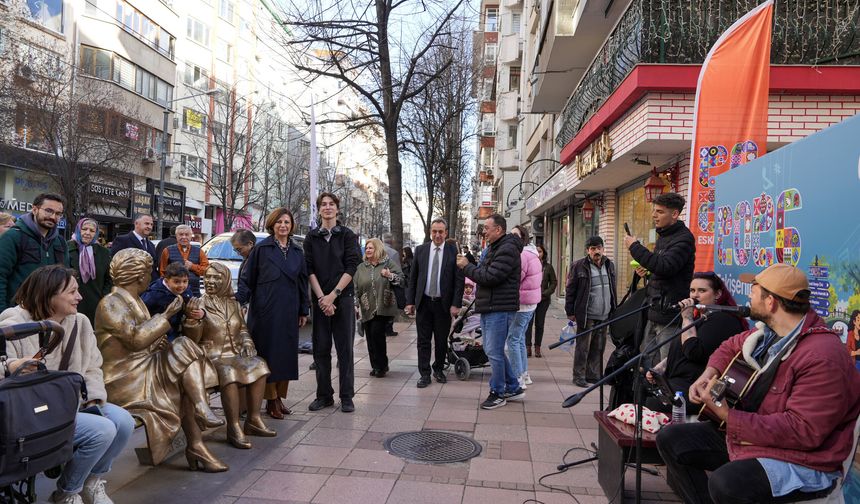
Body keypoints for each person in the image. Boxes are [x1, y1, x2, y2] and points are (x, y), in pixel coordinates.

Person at [656, 263, 860, 504]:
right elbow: (729, 346)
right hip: (758, 436)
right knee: (671, 439)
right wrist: (708, 374)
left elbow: (802, 432)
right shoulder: (770, 332)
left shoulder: (822, 356)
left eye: (753, 291)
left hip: (802, 459)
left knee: (727, 483)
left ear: (771, 302)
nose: (748, 296)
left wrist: (728, 416)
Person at [0, 265, 134, 504]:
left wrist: (92, 397)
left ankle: (91, 482)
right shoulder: (13, 323)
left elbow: (93, 366)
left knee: (124, 421)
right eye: (72, 292)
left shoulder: (79, 322)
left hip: (70, 402)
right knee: (102, 430)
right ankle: (68, 492)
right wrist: (10, 365)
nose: (80, 297)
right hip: (31, 413)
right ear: (49, 294)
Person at [95, 248, 226, 472]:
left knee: (183, 351)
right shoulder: (111, 303)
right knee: (183, 370)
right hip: (124, 376)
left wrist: (162, 339)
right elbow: (135, 340)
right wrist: (165, 317)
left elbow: (141, 339)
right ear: (138, 275)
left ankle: (197, 435)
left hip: (142, 364)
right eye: (149, 272)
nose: (151, 276)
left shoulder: (134, 300)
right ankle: (199, 420)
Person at [185, 263, 276, 449]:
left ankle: (253, 419)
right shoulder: (199, 303)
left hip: (234, 353)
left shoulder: (233, 304)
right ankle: (233, 427)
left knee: (260, 365)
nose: (210, 281)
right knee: (229, 373)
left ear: (225, 280)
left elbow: (242, 329)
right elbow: (191, 339)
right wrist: (194, 320)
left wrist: (248, 342)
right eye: (208, 277)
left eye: (216, 278)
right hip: (212, 356)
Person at [237, 208, 309, 419]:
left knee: (285, 356)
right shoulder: (262, 249)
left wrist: (303, 309)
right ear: (272, 225)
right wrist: (240, 301)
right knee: (268, 355)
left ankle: (278, 397)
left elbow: (303, 282)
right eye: (279, 222)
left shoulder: (297, 252)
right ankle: (270, 400)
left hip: (289, 309)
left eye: (287, 222)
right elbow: (247, 278)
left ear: (291, 225)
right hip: (266, 310)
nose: (283, 226)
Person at [644, 272, 747, 415]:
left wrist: (687, 318)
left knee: (649, 401)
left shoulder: (723, 320)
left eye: (702, 291)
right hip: (677, 381)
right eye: (692, 290)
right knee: (639, 385)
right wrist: (661, 367)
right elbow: (680, 348)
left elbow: (693, 352)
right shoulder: (704, 317)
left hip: (695, 389)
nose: (694, 295)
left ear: (717, 294)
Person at [456, 214, 525, 409]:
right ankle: (513, 386)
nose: (483, 231)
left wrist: (466, 267)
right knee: (491, 350)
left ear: (498, 230)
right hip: (491, 306)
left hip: (500, 308)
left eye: (487, 228)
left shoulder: (507, 249)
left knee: (494, 351)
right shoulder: (496, 248)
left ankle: (498, 392)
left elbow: (489, 277)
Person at [303, 193, 361, 413]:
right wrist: (321, 298)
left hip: (342, 299)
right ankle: (324, 395)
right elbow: (309, 269)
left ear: (337, 209)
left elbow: (352, 266)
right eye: (323, 205)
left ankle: (347, 396)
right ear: (319, 210)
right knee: (321, 349)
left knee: (345, 349)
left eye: (331, 204)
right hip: (320, 300)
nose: (327, 208)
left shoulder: (346, 235)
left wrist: (333, 295)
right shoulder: (311, 237)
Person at [624, 192, 695, 360]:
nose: (654, 215)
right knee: (645, 363)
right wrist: (648, 271)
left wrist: (635, 247)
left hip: (669, 317)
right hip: (653, 311)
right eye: (654, 210)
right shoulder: (664, 235)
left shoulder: (683, 239)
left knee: (664, 366)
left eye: (660, 212)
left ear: (675, 214)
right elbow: (661, 268)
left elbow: (666, 267)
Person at [405, 218, 465, 388]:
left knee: (440, 340)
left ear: (446, 233)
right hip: (424, 303)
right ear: (430, 232)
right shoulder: (421, 250)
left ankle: (438, 369)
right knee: (423, 341)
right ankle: (424, 374)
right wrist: (410, 301)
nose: (437, 235)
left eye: (441, 231)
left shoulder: (453, 251)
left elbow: (459, 281)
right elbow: (413, 278)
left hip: (443, 304)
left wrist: (456, 304)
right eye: (434, 231)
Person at [0, 193, 69, 312]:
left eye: (58, 214)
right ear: (34, 209)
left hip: (51, 314)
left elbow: (66, 279)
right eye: (48, 211)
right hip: (19, 315)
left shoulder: (61, 243)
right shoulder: (13, 237)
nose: (53, 217)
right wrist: (2, 314)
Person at [565, 236, 617, 387]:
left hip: (605, 313)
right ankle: (579, 376)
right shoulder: (579, 266)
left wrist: (614, 308)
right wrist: (570, 311)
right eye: (593, 249)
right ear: (587, 250)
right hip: (586, 314)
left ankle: (593, 375)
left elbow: (612, 289)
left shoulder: (609, 265)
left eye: (599, 248)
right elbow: (570, 290)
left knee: (598, 347)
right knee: (583, 348)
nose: (596, 251)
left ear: (602, 248)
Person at [354, 238, 403, 378]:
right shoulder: (361, 267)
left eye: (371, 248)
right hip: (366, 306)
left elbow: (401, 279)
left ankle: (381, 365)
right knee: (370, 336)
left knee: (377, 334)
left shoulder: (388, 263)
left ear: (378, 249)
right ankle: (375, 365)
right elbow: (355, 286)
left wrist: (390, 275)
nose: (368, 250)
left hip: (383, 306)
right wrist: (356, 304)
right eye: (367, 248)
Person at [508, 225, 541, 388]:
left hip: (521, 303)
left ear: (523, 237)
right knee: (519, 338)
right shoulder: (533, 253)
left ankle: (517, 378)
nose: (512, 238)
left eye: (515, 235)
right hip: (530, 303)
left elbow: (515, 278)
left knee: (513, 339)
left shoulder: (522, 255)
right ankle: (524, 374)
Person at [141, 262, 204, 341]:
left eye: (185, 281)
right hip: (159, 334)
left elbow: (194, 305)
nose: (181, 285)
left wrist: (202, 313)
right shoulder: (154, 295)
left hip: (176, 330)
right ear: (166, 281)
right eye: (177, 282)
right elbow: (142, 312)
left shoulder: (186, 292)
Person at [67, 218, 112, 325]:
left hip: (95, 304)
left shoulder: (104, 252)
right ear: (78, 230)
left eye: (92, 231)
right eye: (84, 229)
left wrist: (103, 298)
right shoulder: (66, 248)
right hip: (70, 303)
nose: (87, 233)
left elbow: (109, 279)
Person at [159, 225, 209, 296]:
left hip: (194, 292)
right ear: (176, 236)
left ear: (191, 236)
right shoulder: (167, 250)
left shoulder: (199, 251)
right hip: (172, 293)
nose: (184, 237)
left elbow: (206, 270)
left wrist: (192, 266)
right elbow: (162, 272)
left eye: (187, 234)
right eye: (181, 234)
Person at [526, 243, 556, 358]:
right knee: (528, 323)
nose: (538, 254)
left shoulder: (548, 267)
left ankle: (537, 347)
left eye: (540, 251)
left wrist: (546, 293)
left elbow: (554, 282)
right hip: (530, 298)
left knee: (540, 324)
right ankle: (528, 347)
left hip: (543, 300)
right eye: (536, 251)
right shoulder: (529, 265)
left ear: (544, 254)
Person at [110, 213, 156, 280]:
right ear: (136, 223)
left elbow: (153, 268)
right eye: (146, 223)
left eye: (151, 224)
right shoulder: (122, 240)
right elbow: (115, 266)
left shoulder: (151, 245)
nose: (149, 227)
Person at [231, 229, 257, 304]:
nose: (238, 253)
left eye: (239, 249)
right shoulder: (247, 259)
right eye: (236, 250)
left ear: (250, 244)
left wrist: (239, 297)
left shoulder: (256, 260)